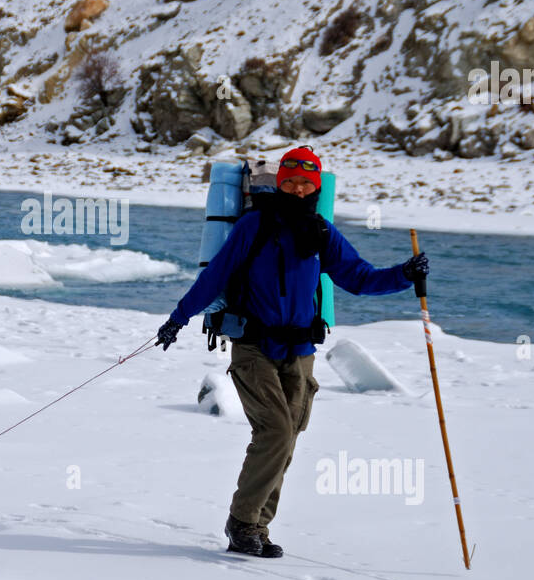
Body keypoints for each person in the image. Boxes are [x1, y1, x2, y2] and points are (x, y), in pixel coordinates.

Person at [155, 146, 428, 558]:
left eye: (306, 184)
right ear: (279, 183)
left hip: (301, 349)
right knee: (276, 433)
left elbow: (359, 277)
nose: (298, 190)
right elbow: (216, 276)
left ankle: (257, 528)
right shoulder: (254, 225)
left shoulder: (321, 232)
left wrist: (403, 275)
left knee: (288, 437)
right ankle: (242, 523)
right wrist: (179, 317)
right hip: (254, 347)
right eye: (290, 182)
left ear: (316, 187)